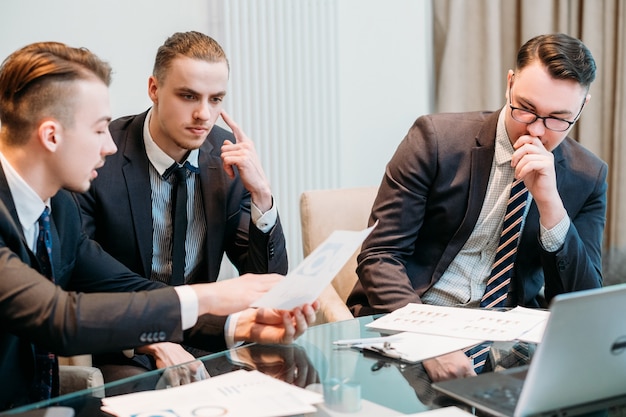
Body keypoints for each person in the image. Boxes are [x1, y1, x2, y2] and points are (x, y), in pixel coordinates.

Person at [0, 41, 315, 411]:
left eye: (216, 99)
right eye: (100, 130)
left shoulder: (54, 209)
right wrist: (213, 296)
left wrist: (235, 326)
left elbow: (127, 287)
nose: (110, 146)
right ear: (51, 135)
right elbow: (62, 317)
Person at [347, 33, 607, 381]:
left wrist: (551, 206)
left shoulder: (587, 176)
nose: (536, 130)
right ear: (510, 83)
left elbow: (583, 305)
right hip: (415, 320)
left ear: (582, 107)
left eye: (558, 119)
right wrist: (425, 341)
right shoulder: (435, 140)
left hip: (509, 341)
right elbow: (379, 256)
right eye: (526, 109)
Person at [74, 31, 300, 380]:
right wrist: (151, 337)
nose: (203, 115)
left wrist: (262, 197)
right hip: (127, 347)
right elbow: (82, 275)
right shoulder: (101, 157)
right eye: (188, 96)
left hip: (206, 338)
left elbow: (267, 280)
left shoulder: (226, 157)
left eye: (216, 99)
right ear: (154, 89)